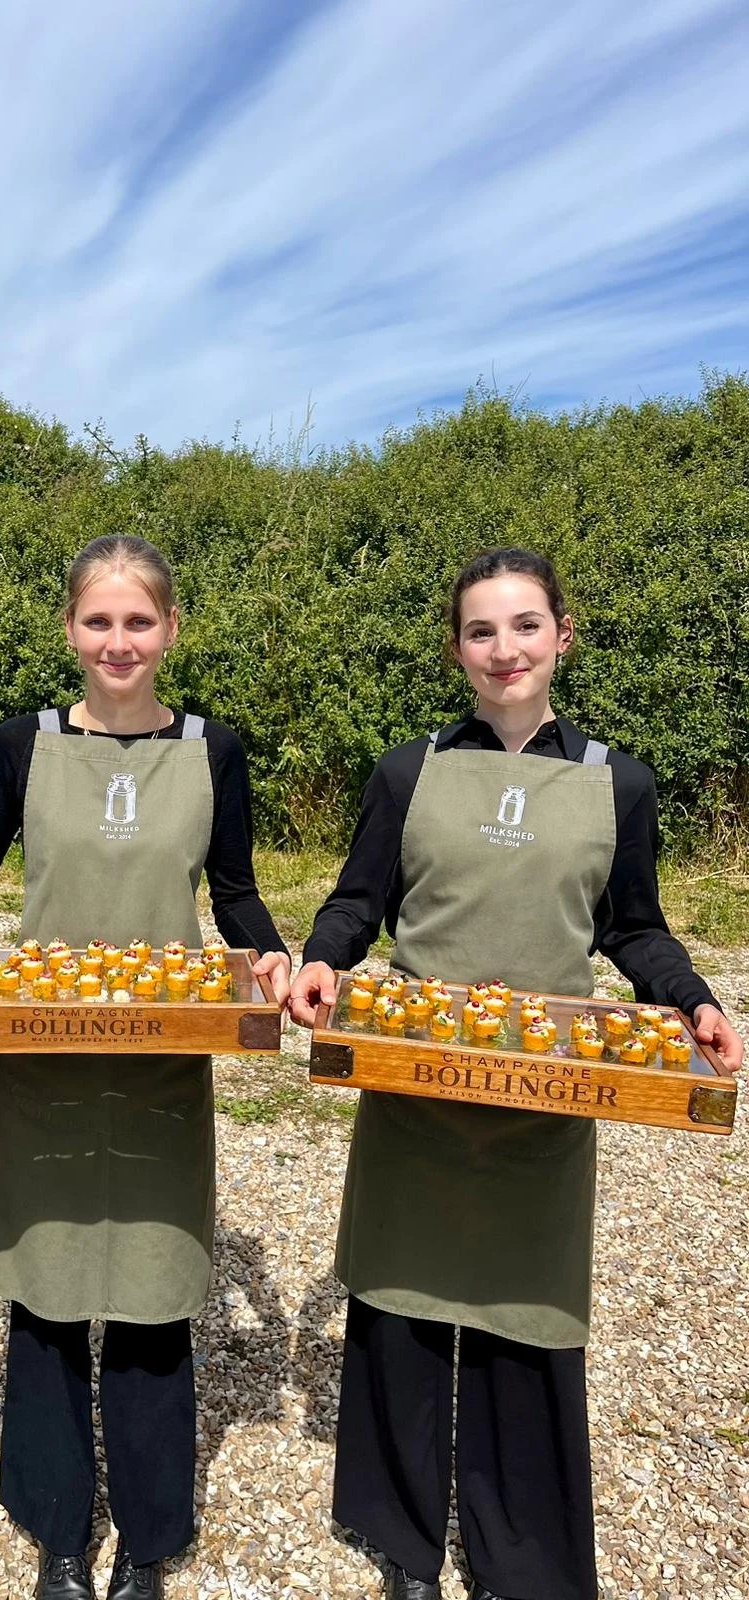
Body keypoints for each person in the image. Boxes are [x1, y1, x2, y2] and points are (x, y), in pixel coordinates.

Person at [289, 548, 743, 1600]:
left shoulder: (615, 781)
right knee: (400, 1309)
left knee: (525, 1319)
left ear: (562, 635)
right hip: (415, 1085)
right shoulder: (407, 771)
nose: (505, 650)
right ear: (456, 649)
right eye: (483, 631)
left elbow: (635, 926)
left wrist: (696, 998)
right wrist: (322, 956)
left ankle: (514, 1556)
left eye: (525, 626)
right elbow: (359, 904)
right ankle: (404, 1542)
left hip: (546, 1096)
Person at [0, 534, 291, 1600]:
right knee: (49, 1288)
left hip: (163, 1065)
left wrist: (280, 962)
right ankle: (58, 1528)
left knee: (157, 1294)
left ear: (171, 630)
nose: (120, 641)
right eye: (99, 621)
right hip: (42, 1061)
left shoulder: (215, 749)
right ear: (69, 628)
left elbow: (238, 895)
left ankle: (149, 1540)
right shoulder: (21, 744)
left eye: (139, 621)